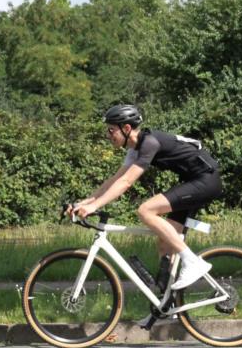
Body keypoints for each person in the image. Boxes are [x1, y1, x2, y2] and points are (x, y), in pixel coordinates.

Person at [69, 104, 222, 294]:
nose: (108, 135)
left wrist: (95, 207)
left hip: (206, 180)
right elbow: (115, 180)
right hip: (192, 180)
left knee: (146, 210)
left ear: (126, 129)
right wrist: (85, 203)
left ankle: (193, 263)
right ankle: (166, 308)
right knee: (165, 243)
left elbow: (126, 183)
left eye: (111, 130)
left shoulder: (149, 143)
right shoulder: (134, 149)